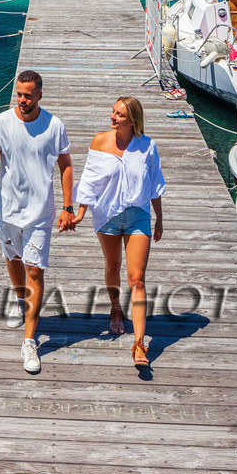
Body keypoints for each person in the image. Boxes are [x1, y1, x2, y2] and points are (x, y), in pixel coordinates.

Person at [0, 70, 75, 375]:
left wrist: (68, 206)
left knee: (34, 269)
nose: (22, 100)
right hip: (7, 209)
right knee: (14, 259)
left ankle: (29, 341)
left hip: (40, 213)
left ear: (39, 95)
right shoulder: (0, 124)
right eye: (19, 94)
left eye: (28, 95)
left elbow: (66, 166)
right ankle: (20, 299)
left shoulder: (54, 126)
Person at [72, 96, 164, 368]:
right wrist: (80, 213)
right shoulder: (99, 141)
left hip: (138, 215)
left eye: (120, 115)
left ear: (132, 120)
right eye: (113, 112)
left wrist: (159, 218)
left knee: (137, 278)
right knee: (112, 265)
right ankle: (115, 307)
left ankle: (139, 343)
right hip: (107, 214)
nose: (113, 117)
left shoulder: (147, 146)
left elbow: (155, 184)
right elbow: (89, 182)